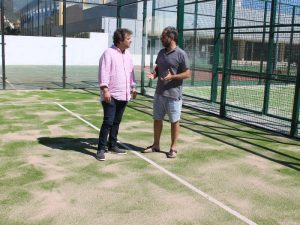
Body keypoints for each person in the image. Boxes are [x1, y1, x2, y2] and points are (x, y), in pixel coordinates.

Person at [143, 26, 191, 158]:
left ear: (171, 38)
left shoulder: (181, 54)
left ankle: (173, 148)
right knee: (157, 119)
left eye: (163, 37)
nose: (161, 39)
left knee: (174, 121)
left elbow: (187, 73)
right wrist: (154, 74)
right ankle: (156, 145)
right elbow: (158, 67)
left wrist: (173, 77)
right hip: (159, 94)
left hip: (173, 95)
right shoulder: (161, 53)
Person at [96, 28, 137, 161]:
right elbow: (104, 72)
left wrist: (133, 87)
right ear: (120, 40)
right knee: (108, 121)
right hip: (111, 94)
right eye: (128, 39)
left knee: (116, 122)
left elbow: (131, 73)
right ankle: (101, 149)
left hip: (124, 94)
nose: (131, 41)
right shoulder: (108, 53)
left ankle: (112, 145)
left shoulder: (128, 55)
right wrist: (105, 90)